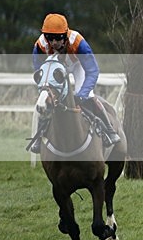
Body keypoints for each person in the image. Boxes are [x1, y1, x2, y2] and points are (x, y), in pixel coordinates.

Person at [30, 13, 121, 153]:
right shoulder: (40, 44)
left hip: (77, 65)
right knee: (43, 101)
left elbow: (92, 70)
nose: (53, 42)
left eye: (58, 38)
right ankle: (38, 138)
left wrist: (83, 93)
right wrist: (44, 88)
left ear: (65, 35)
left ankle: (109, 130)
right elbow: (38, 70)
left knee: (87, 95)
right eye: (50, 37)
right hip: (54, 66)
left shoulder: (78, 42)